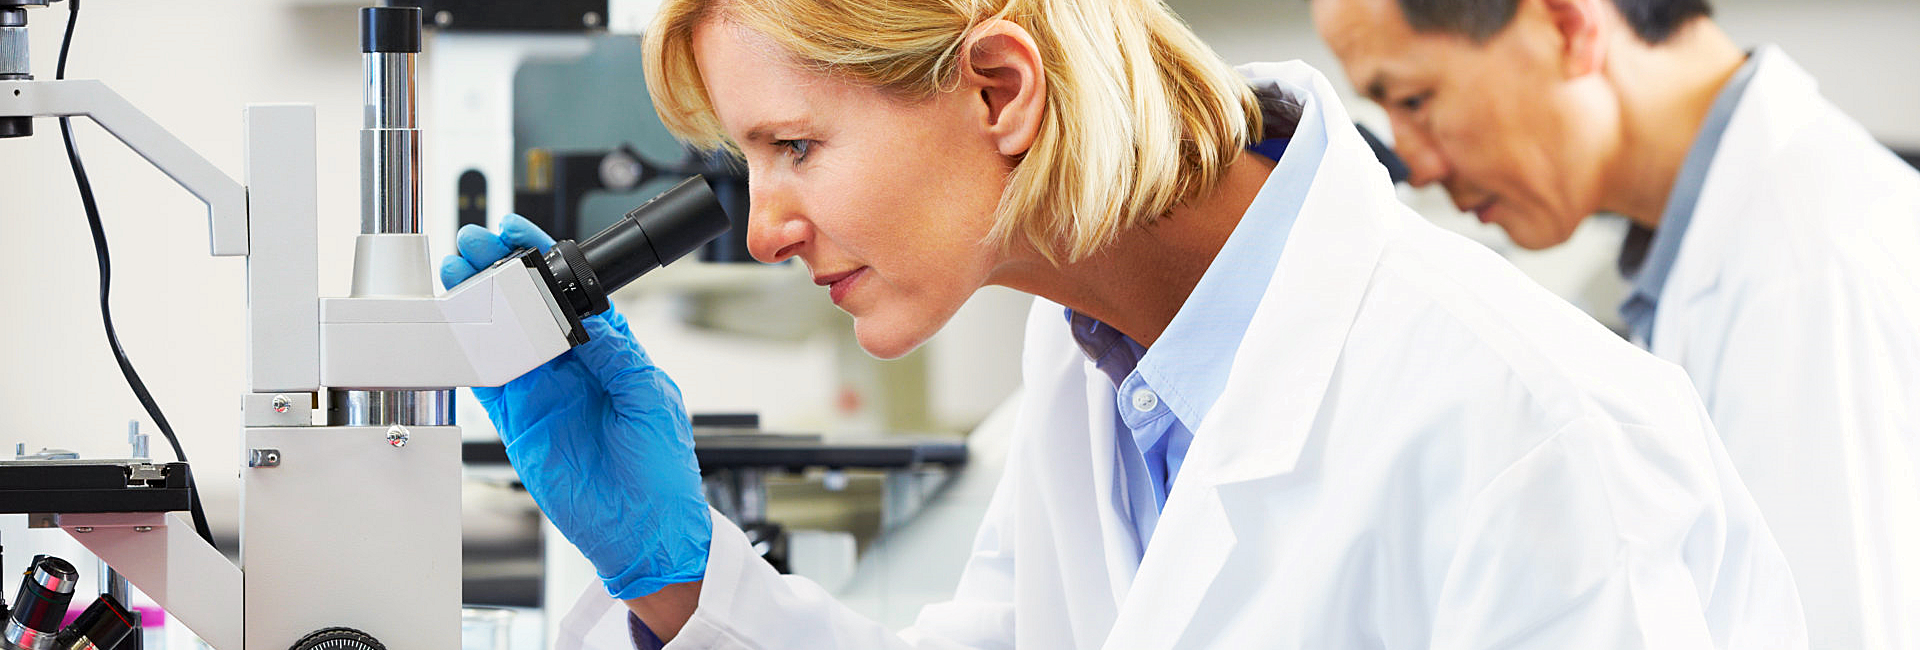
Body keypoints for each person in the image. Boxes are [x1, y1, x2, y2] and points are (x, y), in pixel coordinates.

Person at [440, 0, 1808, 647]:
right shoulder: (1101, 379)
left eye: (795, 144)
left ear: (1000, 93)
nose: (763, 227)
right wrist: (678, 580)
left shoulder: (1521, 429)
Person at [1310, 0, 1920, 645]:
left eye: (1413, 100)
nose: (1420, 166)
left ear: (1568, 26)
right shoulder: (1732, 243)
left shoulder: (1803, 275)